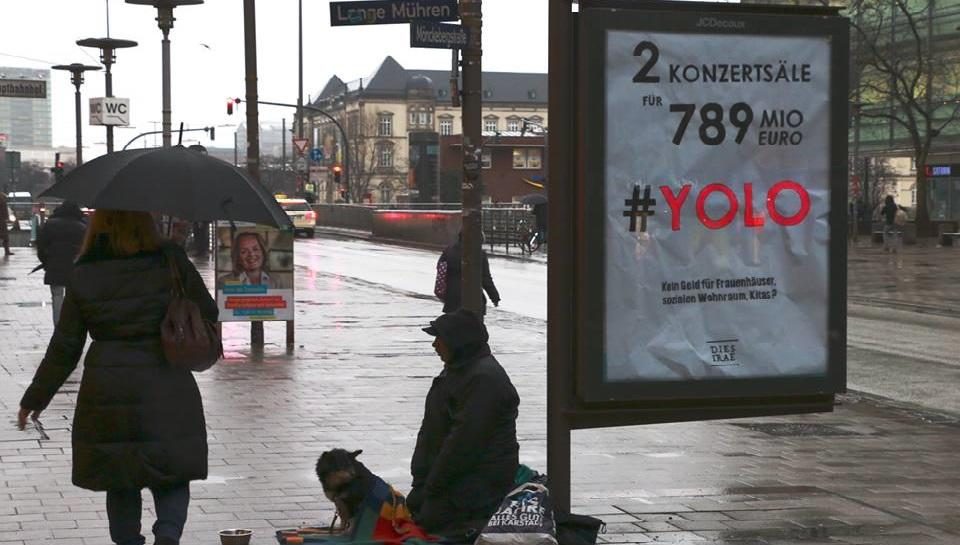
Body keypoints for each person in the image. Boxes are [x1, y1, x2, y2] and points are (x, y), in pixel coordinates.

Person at [17, 210, 217, 545]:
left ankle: (127, 540)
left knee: (121, 475)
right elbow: (208, 311)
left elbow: (66, 345)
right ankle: (167, 535)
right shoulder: (169, 259)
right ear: (145, 221)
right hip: (165, 379)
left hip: (107, 385)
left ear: (97, 225)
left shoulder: (85, 271)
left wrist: (35, 398)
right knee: (171, 471)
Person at [408, 309, 520, 537]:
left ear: (458, 342)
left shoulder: (483, 380)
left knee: (429, 525)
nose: (435, 345)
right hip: (450, 482)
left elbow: (463, 444)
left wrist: (431, 488)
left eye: (440, 339)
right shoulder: (460, 369)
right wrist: (421, 481)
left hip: (473, 487)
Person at [35, 201, 87, 325]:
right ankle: (70, 324)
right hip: (74, 268)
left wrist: (46, 261)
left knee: (57, 297)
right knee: (72, 297)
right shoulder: (82, 227)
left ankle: (58, 325)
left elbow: (41, 246)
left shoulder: (50, 224)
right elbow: (86, 250)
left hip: (54, 265)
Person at [435, 233, 500, 314]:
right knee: (473, 324)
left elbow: (441, 270)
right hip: (473, 298)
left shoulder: (449, 251)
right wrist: (494, 297)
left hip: (452, 297)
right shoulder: (479, 253)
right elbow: (485, 278)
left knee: (453, 324)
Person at [0, 191, 12, 256]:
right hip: (2, 222)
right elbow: (5, 211)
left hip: (2, 221)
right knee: (5, 237)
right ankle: (7, 251)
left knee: (5, 237)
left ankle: (7, 251)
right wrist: (7, 218)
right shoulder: (3, 202)